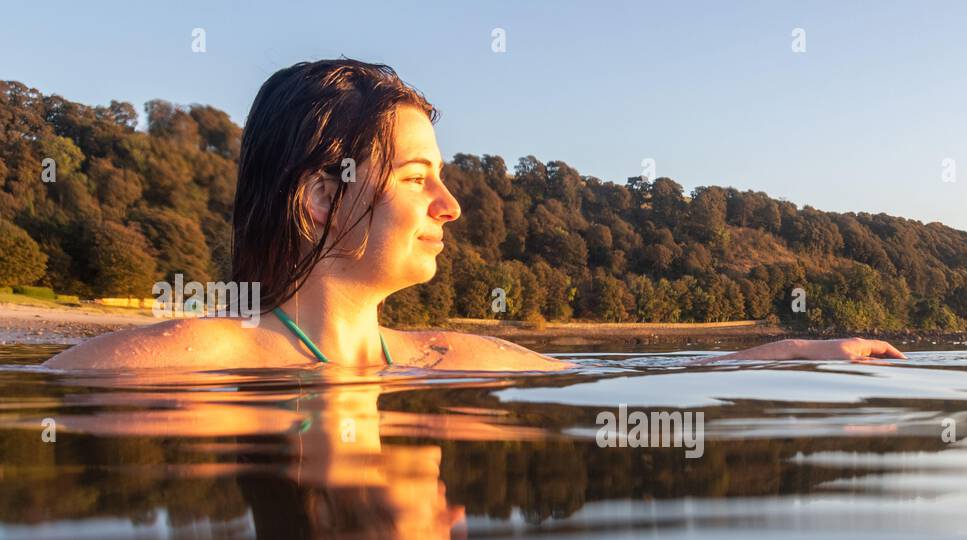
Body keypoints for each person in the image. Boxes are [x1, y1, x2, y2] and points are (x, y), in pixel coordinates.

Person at [44, 59, 905, 372]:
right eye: (418, 177)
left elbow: (657, 378)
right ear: (318, 201)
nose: (449, 206)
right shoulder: (197, 359)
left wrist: (803, 351)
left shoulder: (446, 355)